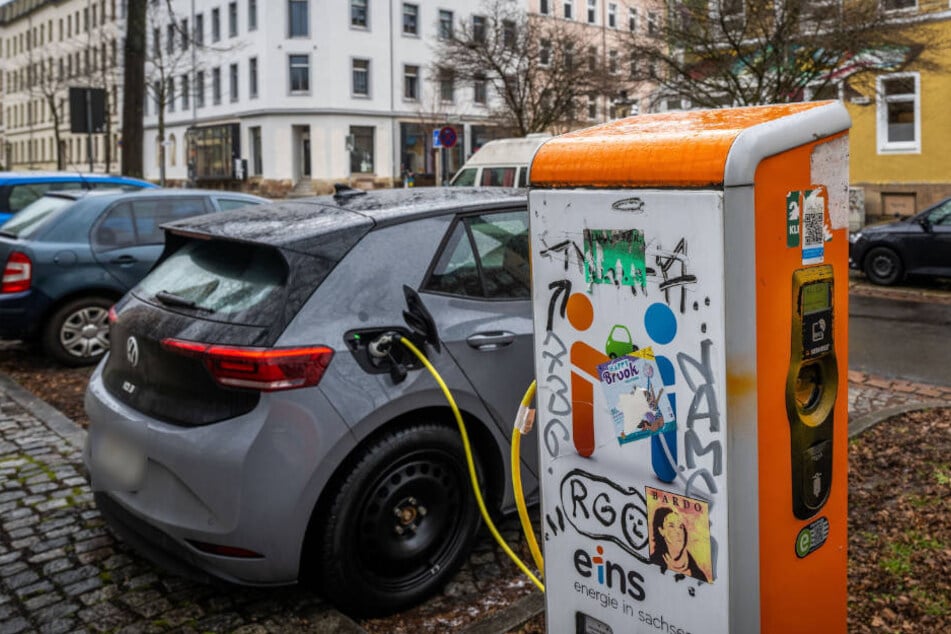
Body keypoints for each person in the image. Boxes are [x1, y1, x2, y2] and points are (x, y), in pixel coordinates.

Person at [649, 506, 709, 582]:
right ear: (661, 531)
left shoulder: (696, 572)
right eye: (671, 526)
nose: (678, 532)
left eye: (680, 527)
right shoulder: (654, 561)